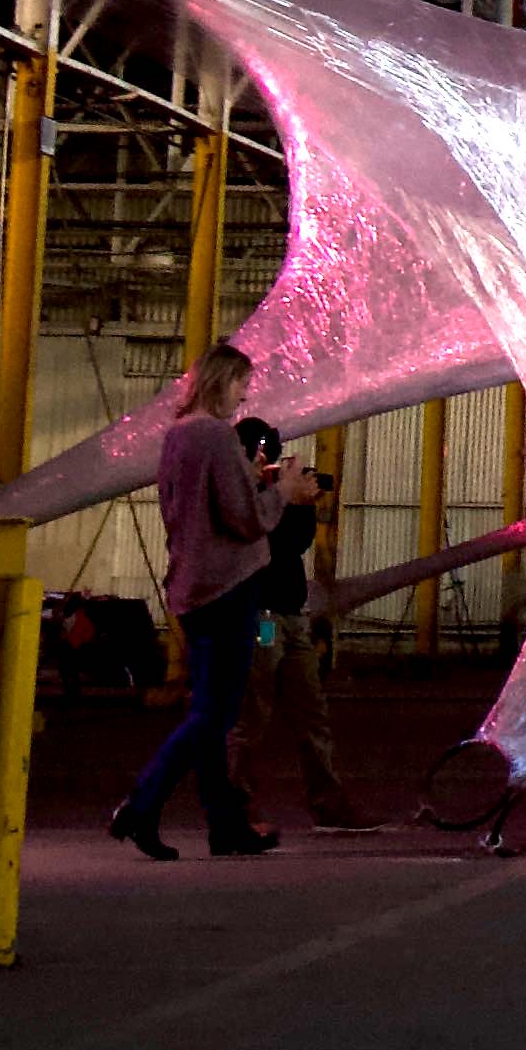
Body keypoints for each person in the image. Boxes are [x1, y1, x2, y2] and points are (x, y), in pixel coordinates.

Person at [109, 341, 294, 860]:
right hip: (229, 586)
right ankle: (141, 804)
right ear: (220, 381)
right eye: (240, 382)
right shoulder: (215, 435)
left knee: (211, 715)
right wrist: (281, 492)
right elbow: (244, 518)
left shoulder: (177, 437)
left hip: (190, 584)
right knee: (215, 715)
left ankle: (224, 825)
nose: (244, 393)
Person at [232, 416, 374, 833]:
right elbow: (273, 545)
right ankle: (236, 807)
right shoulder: (245, 497)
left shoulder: (272, 496)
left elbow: (294, 546)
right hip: (262, 618)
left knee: (312, 715)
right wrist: (289, 500)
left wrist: (300, 505)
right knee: (251, 717)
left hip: (291, 617)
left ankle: (328, 804)